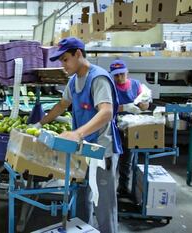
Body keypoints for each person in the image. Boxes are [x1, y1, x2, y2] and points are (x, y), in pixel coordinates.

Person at [34, 37, 122, 233]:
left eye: (65, 59)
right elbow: (61, 105)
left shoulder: (98, 78)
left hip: (101, 152)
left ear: (79, 54)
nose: (63, 65)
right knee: (83, 201)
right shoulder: (74, 81)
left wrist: (77, 133)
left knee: (104, 206)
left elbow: (106, 112)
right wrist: (39, 123)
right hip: (83, 151)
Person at [109, 59, 149, 196]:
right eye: (116, 75)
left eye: (122, 74)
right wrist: (124, 107)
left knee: (127, 159)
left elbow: (145, 103)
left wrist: (144, 105)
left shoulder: (136, 85)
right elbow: (106, 108)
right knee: (112, 158)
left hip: (131, 128)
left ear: (127, 72)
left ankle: (123, 188)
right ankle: (107, 188)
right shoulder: (110, 87)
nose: (119, 78)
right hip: (113, 127)